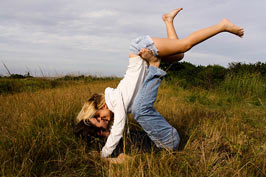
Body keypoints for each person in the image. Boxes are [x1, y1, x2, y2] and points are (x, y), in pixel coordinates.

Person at [75, 8, 244, 159]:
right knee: (179, 55)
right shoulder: (116, 106)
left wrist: (104, 155)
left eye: (97, 116)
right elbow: (120, 130)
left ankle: (222, 25)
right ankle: (168, 20)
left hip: (139, 49)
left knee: (185, 45)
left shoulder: (115, 100)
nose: (102, 119)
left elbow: (118, 129)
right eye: (99, 121)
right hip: (141, 55)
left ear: (101, 104)